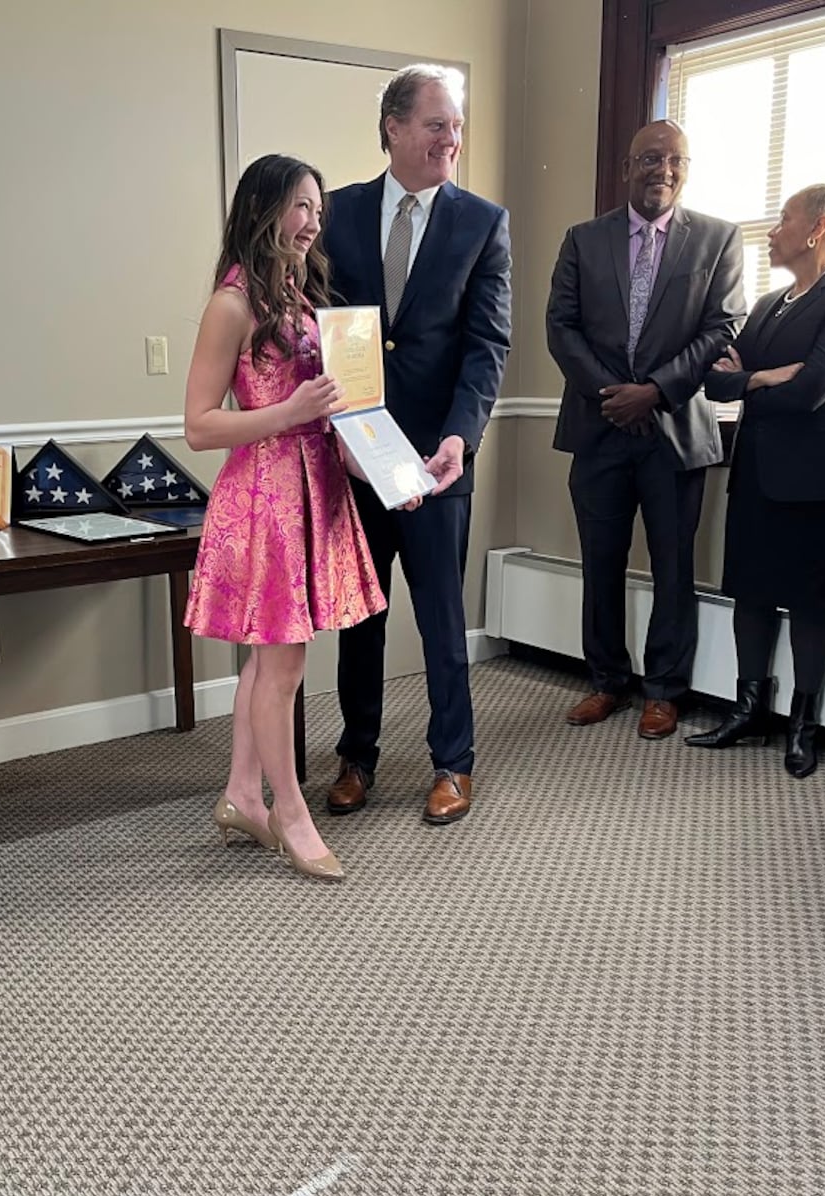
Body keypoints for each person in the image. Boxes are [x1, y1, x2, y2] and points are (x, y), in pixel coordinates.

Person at [183, 154, 388, 882]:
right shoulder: (232, 303)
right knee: (285, 661)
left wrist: (394, 471)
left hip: (316, 485)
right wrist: (290, 411)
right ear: (264, 209)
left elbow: (337, 414)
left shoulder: (297, 298)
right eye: (301, 207)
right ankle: (290, 815)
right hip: (265, 498)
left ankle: (242, 793)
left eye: (318, 212)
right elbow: (200, 427)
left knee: (270, 660)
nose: (312, 223)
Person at [320, 64, 512, 827]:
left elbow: (487, 345)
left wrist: (462, 436)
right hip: (354, 459)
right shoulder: (335, 215)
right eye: (436, 124)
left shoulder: (482, 222)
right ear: (394, 129)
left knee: (440, 619)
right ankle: (356, 756)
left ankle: (452, 764)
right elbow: (318, 334)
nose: (451, 138)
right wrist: (330, 433)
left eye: (457, 125)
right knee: (360, 619)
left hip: (437, 462)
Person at [547, 120, 746, 740]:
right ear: (628, 166)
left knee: (673, 567)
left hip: (675, 431)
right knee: (600, 565)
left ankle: (665, 689)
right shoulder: (583, 239)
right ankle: (607, 681)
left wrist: (654, 391)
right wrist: (614, 397)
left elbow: (724, 326)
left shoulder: (718, 239)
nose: (664, 169)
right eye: (651, 158)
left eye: (676, 159)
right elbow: (561, 326)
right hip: (600, 424)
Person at [686, 185, 825, 777]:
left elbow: (812, 390)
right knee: (750, 593)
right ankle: (749, 710)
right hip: (756, 474)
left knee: (811, 604)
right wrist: (763, 377)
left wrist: (754, 379)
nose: (772, 229)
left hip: (817, 481)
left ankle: (803, 725)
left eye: (784, 219)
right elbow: (715, 382)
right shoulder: (770, 303)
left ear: (818, 227)